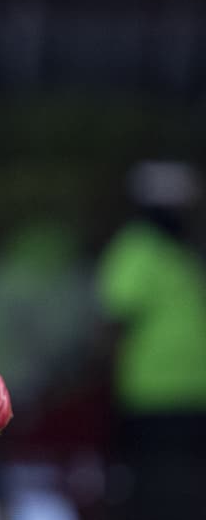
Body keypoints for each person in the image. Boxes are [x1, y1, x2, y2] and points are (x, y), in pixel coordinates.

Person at [96, 160, 206, 517]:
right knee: (159, 489)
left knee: (186, 488)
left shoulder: (180, 253)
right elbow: (115, 321)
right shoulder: (137, 249)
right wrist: (104, 383)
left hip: (190, 393)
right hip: (152, 396)